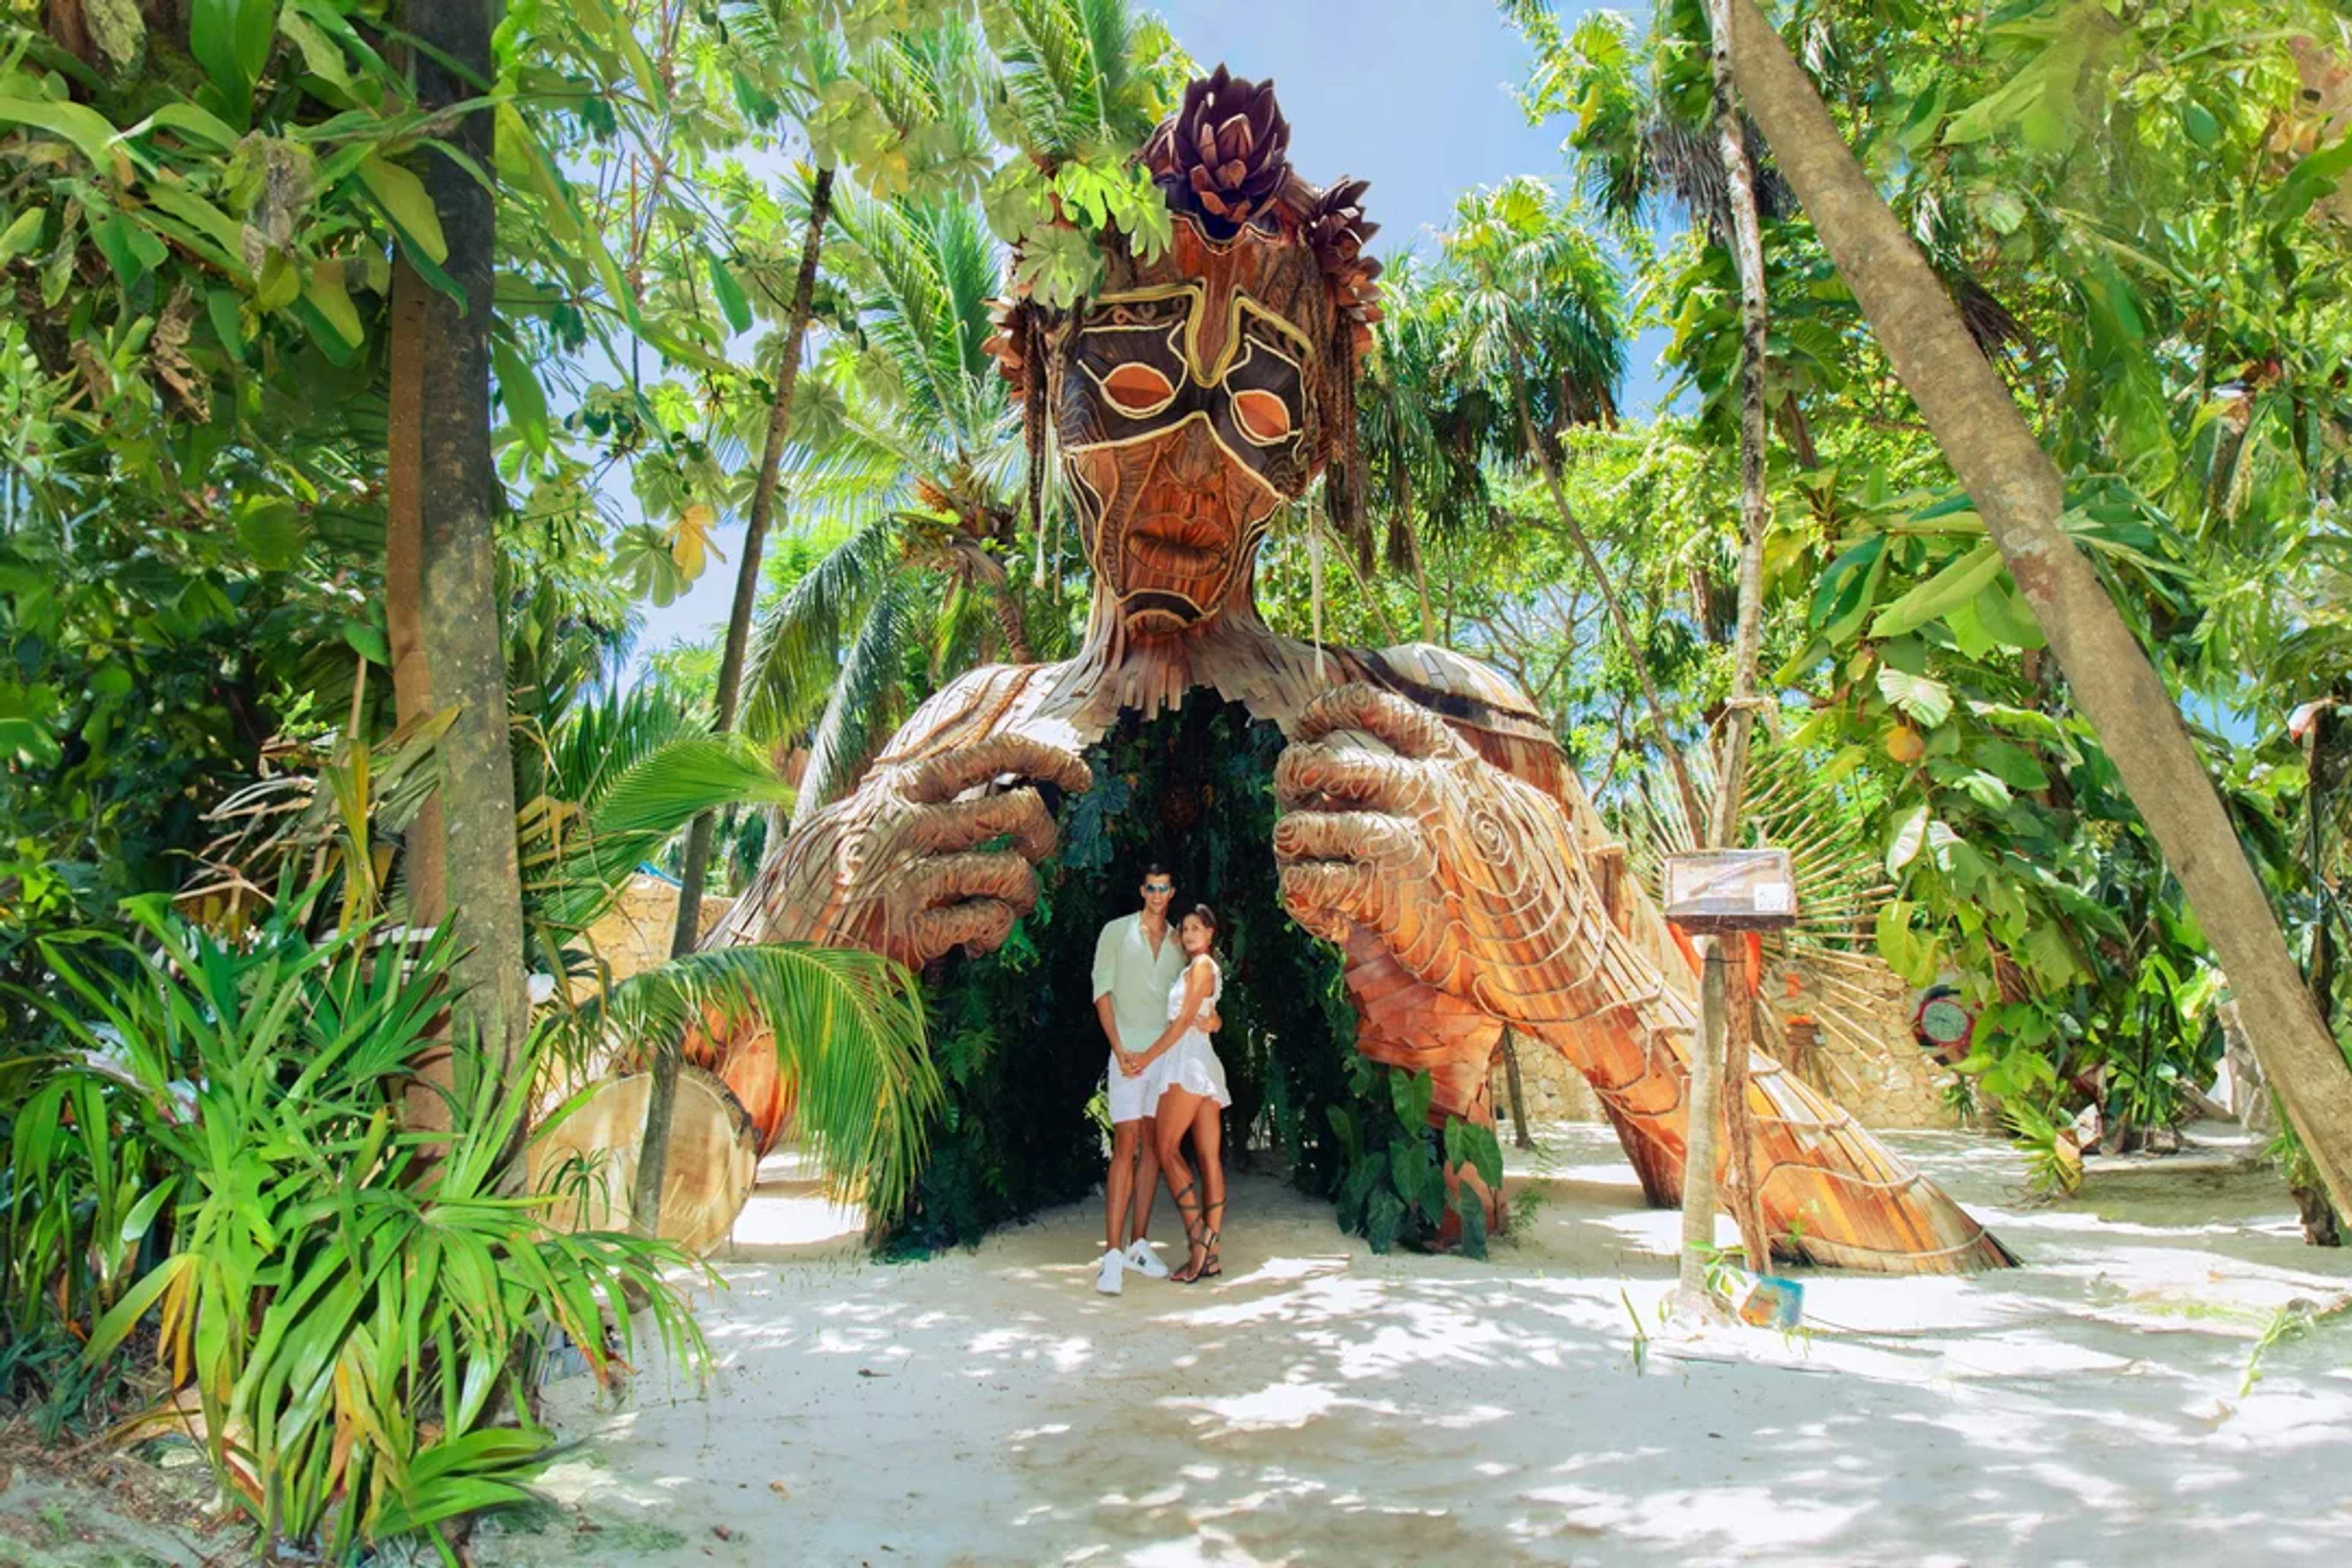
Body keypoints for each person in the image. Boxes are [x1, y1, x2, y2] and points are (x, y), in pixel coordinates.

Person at [1091, 864, 1197, 1295]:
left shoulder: (1178, 943)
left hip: (1164, 1058)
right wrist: (1118, 1049)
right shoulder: (1115, 932)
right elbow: (1102, 991)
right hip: (1127, 1053)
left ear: (1172, 892)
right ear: (1142, 890)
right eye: (1151, 887)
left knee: (1154, 1146)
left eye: (1164, 888)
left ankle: (1139, 1244)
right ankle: (1112, 1255)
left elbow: (1193, 995)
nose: (1157, 894)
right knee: (1126, 1144)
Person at [1118, 905, 1229, 1284]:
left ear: (1211, 933)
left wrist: (1147, 1057)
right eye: (1185, 929)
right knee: (1208, 1158)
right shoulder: (1199, 968)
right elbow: (1205, 1017)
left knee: (1166, 1149)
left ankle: (1199, 1242)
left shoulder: (1201, 968)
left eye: (1197, 928)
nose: (1190, 934)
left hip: (1187, 1064)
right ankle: (1210, 1254)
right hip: (1201, 1061)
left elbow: (1183, 1022)